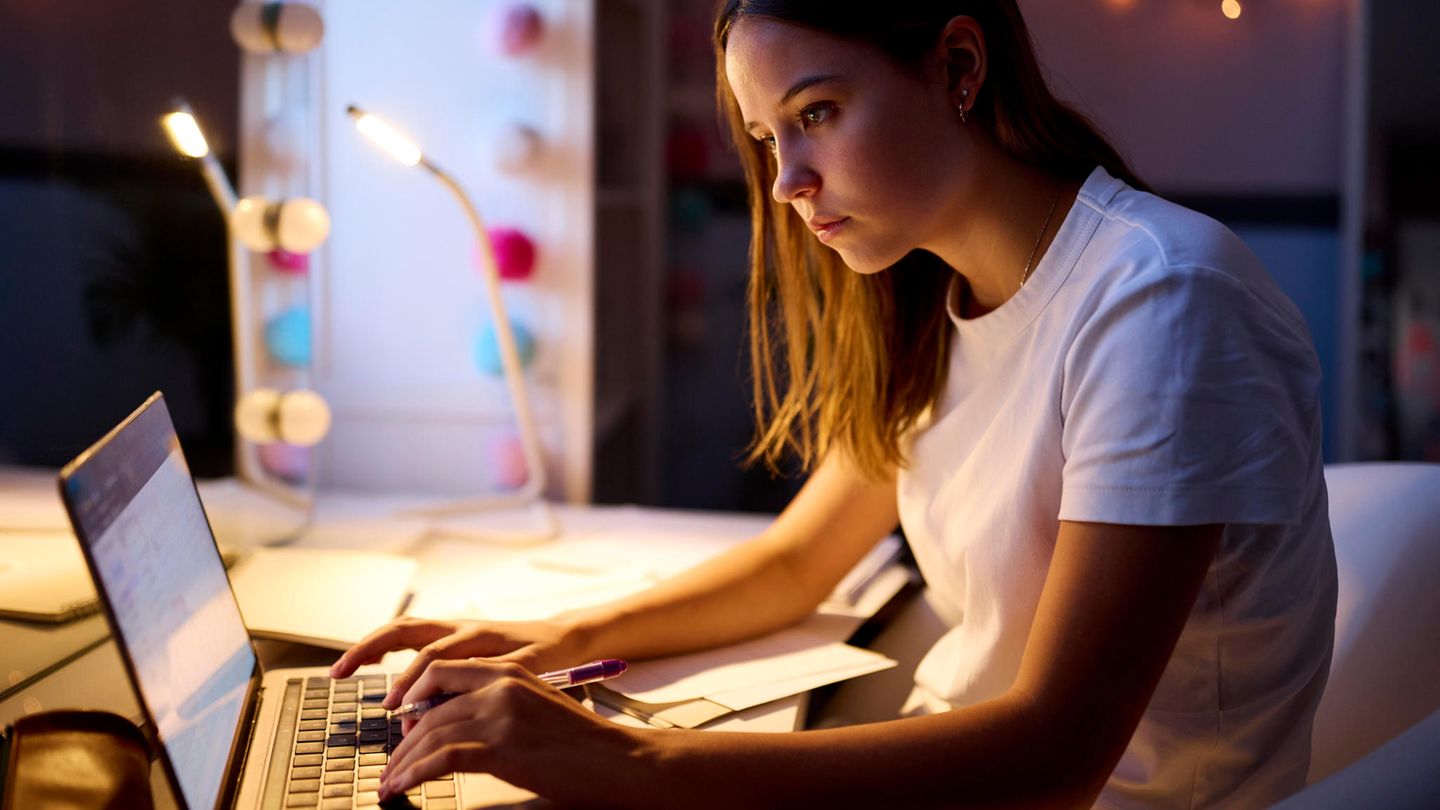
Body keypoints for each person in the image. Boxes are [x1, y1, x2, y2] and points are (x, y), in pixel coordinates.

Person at [333, 2, 1337, 806]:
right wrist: (555, 643)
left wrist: (629, 767)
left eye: (815, 113)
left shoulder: (1160, 301)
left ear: (957, 68)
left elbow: (1057, 755)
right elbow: (798, 559)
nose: (786, 183)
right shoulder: (935, 294)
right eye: (769, 137)